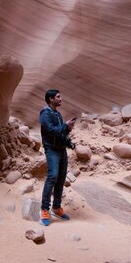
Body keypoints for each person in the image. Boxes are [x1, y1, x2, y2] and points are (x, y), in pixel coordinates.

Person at [39, 89, 76, 226]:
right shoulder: (45, 113)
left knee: (60, 179)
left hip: (61, 150)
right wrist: (65, 126)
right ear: (50, 99)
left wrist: (69, 142)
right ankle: (44, 209)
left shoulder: (58, 115)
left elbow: (60, 134)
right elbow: (50, 130)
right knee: (52, 176)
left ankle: (56, 207)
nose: (61, 99)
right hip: (52, 150)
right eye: (58, 97)